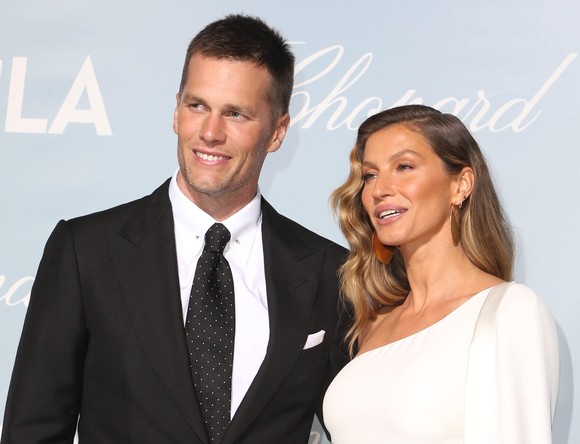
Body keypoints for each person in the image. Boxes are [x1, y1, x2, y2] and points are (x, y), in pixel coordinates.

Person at [2, 14, 347, 444]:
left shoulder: (331, 272)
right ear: (176, 110)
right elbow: (32, 431)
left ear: (277, 132)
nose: (209, 132)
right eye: (197, 105)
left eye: (236, 114)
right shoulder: (86, 252)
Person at [323, 105, 559, 443]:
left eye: (403, 167)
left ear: (461, 184)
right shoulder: (371, 323)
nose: (378, 189)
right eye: (370, 174)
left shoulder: (508, 311)